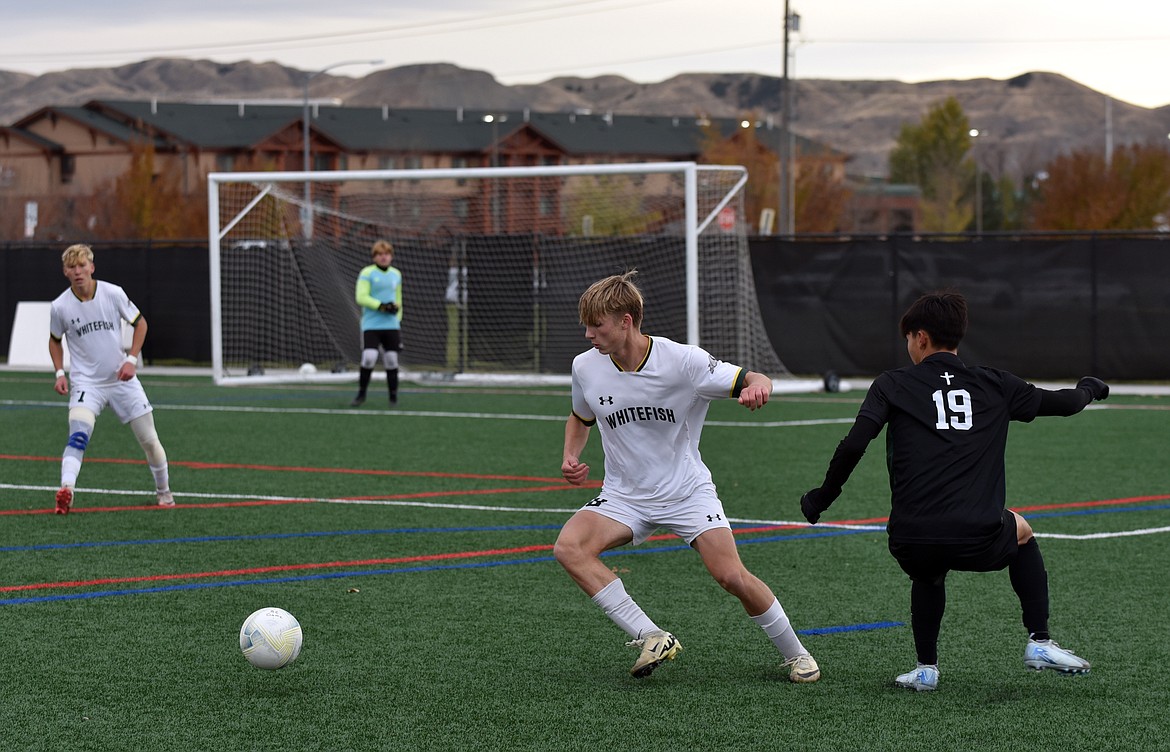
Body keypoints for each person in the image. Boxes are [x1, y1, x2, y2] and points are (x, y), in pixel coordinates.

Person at [800, 291, 1108, 691]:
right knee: (1023, 530)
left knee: (927, 573)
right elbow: (1066, 404)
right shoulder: (995, 383)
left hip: (910, 539)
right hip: (977, 537)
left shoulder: (891, 384)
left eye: (908, 338)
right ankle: (1040, 641)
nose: (907, 346)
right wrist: (1089, 388)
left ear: (921, 337)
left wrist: (821, 498)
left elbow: (854, 444)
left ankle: (926, 668)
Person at [555, 271, 820, 682]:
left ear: (626, 320)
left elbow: (752, 378)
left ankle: (796, 653)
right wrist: (571, 454)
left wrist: (759, 387)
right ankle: (650, 634)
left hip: (686, 492)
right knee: (570, 548)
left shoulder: (683, 361)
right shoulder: (585, 367)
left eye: (597, 324)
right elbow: (580, 416)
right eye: (586, 324)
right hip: (623, 496)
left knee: (731, 576)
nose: (589, 333)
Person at [48, 244, 175, 515]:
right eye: (72, 267)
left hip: (121, 380)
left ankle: (164, 493)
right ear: (65, 272)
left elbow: (140, 323)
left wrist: (131, 359)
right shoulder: (59, 307)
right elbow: (55, 341)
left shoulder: (113, 293)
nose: (78, 271)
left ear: (92, 267)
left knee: (150, 440)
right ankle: (66, 490)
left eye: (82, 265)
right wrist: (60, 372)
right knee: (78, 436)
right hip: (86, 385)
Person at [352, 239, 403, 406]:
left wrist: (397, 316)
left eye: (387, 254)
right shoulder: (367, 273)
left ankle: (393, 397)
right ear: (374, 257)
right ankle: (361, 394)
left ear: (391, 256)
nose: (384, 257)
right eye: (380, 254)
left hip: (391, 325)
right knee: (369, 358)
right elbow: (361, 297)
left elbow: (398, 299)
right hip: (372, 324)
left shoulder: (396, 274)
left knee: (392, 360)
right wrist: (381, 306)